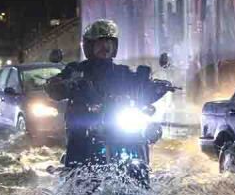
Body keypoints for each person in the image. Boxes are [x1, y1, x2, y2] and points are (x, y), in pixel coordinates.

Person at [46, 19, 169, 167]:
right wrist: (59, 84)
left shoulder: (122, 72)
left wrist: (157, 87)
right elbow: (55, 87)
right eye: (100, 43)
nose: (105, 47)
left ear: (114, 46)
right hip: (85, 127)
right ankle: (73, 179)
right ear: (89, 46)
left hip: (118, 124)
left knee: (140, 136)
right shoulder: (76, 70)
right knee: (77, 145)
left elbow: (140, 89)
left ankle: (142, 174)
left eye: (109, 43)